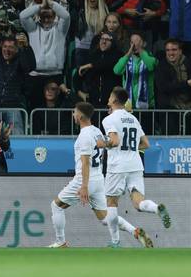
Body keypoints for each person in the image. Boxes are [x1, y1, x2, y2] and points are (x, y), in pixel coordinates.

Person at [48, 102, 152, 248]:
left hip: (84, 180)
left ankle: (61, 242)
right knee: (105, 217)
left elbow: (85, 162)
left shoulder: (84, 136)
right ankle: (134, 231)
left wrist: (83, 186)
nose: (73, 115)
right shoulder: (97, 131)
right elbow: (109, 143)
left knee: (56, 206)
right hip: (98, 180)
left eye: (74, 112)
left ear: (80, 116)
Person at [97, 87, 171, 247]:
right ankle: (157, 208)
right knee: (138, 203)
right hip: (135, 164)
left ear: (115, 100)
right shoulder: (133, 119)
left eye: (110, 96)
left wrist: (103, 143)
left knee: (111, 203)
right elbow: (146, 144)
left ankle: (115, 242)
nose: (108, 99)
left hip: (117, 166)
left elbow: (114, 141)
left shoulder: (109, 119)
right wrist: (129, 147)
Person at [154, 39, 191, 135]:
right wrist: (186, 84)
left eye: (174, 50)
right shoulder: (161, 66)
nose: (171, 53)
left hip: (188, 110)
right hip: (169, 110)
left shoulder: (188, 64)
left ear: (180, 51)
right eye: (168, 50)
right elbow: (164, 87)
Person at [113, 32, 157, 110]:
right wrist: (128, 54)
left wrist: (140, 50)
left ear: (144, 44)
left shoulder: (151, 57)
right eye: (132, 42)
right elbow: (117, 70)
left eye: (138, 42)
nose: (135, 45)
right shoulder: (125, 59)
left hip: (147, 104)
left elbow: (151, 66)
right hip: (128, 105)